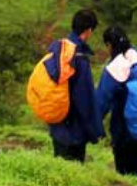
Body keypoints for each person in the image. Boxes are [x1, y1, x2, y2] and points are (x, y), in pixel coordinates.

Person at [48, 9, 104, 162]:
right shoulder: (79, 58)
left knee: (59, 170)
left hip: (57, 124)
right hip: (74, 131)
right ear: (89, 30)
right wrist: (93, 130)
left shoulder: (58, 49)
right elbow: (84, 99)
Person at [96, 25, 137, 176]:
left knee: (123, 173)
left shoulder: (115, 68)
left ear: (109, 45)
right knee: (136, 171)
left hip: (123, 129)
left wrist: (93, 126)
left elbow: (101, 101)